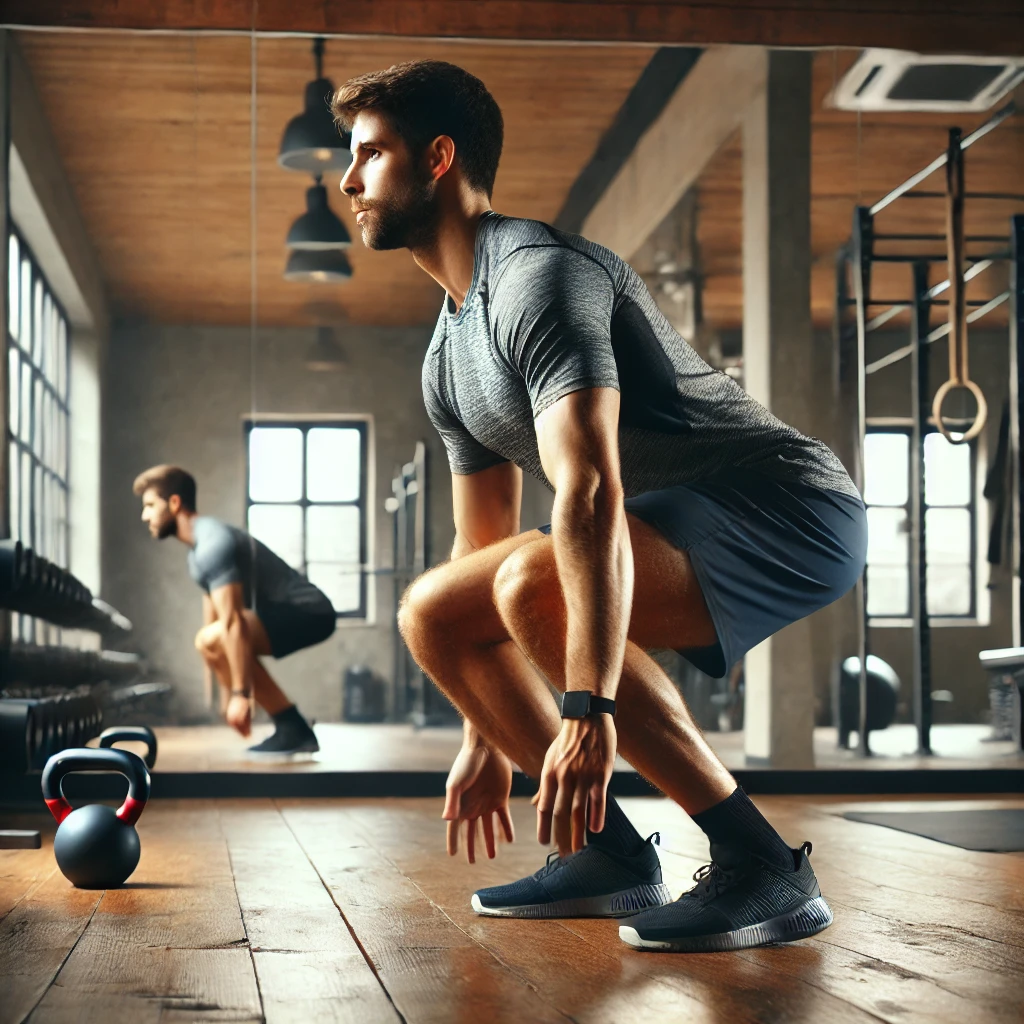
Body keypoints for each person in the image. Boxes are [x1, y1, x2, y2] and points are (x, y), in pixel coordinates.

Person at [332, 61, 866, 952]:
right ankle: (610, 853)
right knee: (431, 608)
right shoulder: (446, 353)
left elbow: (587, 489)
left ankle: (762, 863)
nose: (348, 180)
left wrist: (589, 713)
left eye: (370, 154)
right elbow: (482, 545)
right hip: (678, 517)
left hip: (792, 508)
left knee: (535, 586)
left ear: (437, 158)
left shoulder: (539, 275)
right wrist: (484, 731)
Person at [133, 465, 334, 759]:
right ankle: (293, 729)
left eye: (150, 505)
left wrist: (240, 695)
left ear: (174, 503)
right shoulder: (197, 553)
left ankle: (291, 726)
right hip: (284, 613)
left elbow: (233, 623)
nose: (145, 515)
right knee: (209, 639)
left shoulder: (212, 543)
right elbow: (215, 620)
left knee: (211, 639)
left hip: (310, 612)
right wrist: (223, 693)